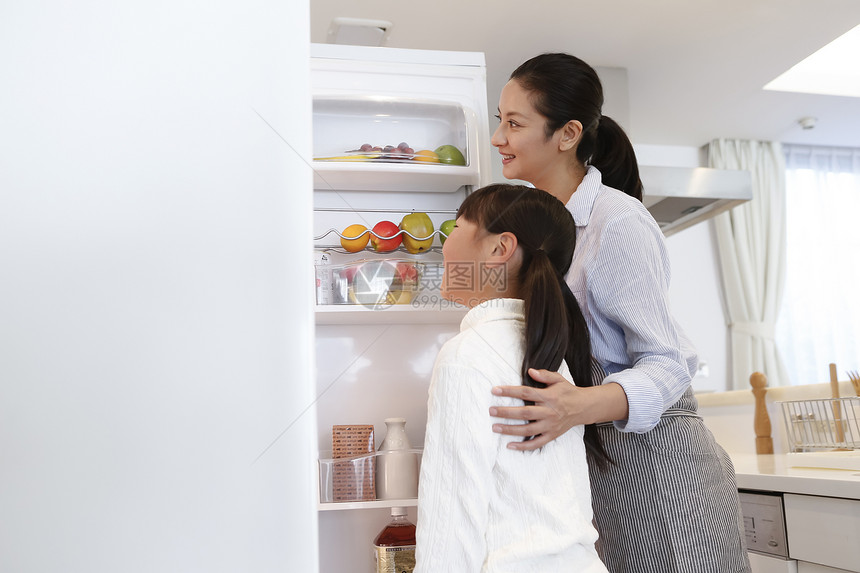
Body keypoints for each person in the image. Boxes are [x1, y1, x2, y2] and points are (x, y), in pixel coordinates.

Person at [487, 53, 751, 573]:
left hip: (664, 471)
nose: (499, 137)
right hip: (607, 466)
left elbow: (667, 364)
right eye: (500, 120)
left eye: (514, 123)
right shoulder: (544, 231)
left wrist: (574, 406)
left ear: (567, 134)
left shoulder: (617, 221)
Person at [415, 184, 610, 573]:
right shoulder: (557, 359)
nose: (444, 244)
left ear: (499, 248)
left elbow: (450, 524)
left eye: (456, 226)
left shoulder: (466, 355)